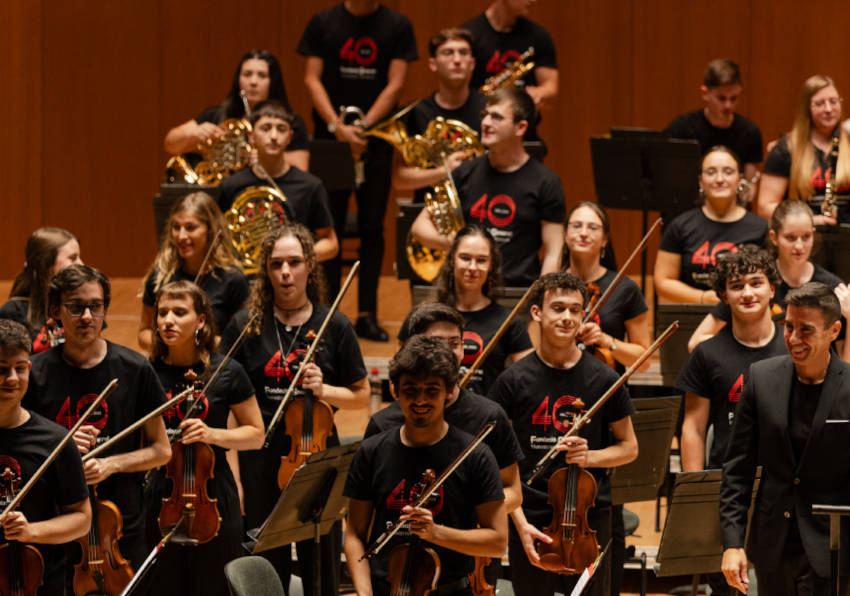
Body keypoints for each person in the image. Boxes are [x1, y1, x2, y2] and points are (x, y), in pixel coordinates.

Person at [219, 222, 369, 596]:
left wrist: (325, 389)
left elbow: (361, 395)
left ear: (309, 267)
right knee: (267, 566)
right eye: (276, 264)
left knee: (320, 563)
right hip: (261, 459)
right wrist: (235, 475)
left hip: (318, 458)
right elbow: (227, 404)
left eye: (295, 262)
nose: (285, 273)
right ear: (266, 271)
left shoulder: (333, 324)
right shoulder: (246, 326)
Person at [489, 272, 638, 596]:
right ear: (537, 313)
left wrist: (591, 456)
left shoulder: (604, 378)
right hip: (531, 514)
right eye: (558, 308)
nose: (567, 317)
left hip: (589, 517)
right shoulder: (512, 381)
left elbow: (629, 448)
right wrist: (520, 524)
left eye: (575, 309)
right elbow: (498, 464)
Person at [24, 264, 171, 569]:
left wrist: (110, 464)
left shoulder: (135, 369)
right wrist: (59, 447)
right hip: (56, 523)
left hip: (119, 523)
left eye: (95, 306)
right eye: (76, 307)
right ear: (55, 311)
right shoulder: (33, 374)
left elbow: (161, 450)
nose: (88, 317)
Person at [371, 301, 524, 591]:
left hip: (466, 555)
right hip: (399, 563)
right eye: (437, 342)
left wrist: (468, 509)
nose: (450, 351)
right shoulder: (384, 423)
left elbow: (514, 493)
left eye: (456, 343)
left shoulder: (489, 416)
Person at [345, 335, 508, 596]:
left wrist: (436, 533)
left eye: (432, 390)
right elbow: (354, 534)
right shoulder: (372, 451)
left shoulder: (475, 456)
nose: (420, 400)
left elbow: (497, 542)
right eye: (410, 390)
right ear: (394, 390)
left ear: (450, 391)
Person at [298, 0, 419, 341]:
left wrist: (363, 126)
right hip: (331, 140)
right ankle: (326, 313)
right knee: (327, 228)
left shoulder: (397, 25)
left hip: (375, 141)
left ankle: (367, 314)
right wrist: (339, 127)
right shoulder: (323, 21)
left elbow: (395, 85)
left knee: (372, 228)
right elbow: (311, 80)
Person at [720, 282, 850, 594]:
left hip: (832, 546)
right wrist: (733, 543)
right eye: (788, 327)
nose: (792, 339)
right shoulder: (761, 378)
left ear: (834, 330)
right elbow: (737, 470)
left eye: (805, 330)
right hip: (772, 542)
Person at [144, 281, 264, 596]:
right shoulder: (145, 372)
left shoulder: (227, 372)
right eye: (163, 312)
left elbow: (255, 435)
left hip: (213, 496)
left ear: (200, 321)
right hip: (161, 496)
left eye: (179, 312)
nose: (168, 320)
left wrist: (212, 434)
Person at [411, 86, 565, 287]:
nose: (485, 123)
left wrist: (541, 299)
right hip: (465, 291)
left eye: (496, 117)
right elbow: (419, 227)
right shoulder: (464, 172)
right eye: (484, 115)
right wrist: (460, 244)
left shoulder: (546, 182)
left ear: (520, 127)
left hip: (516, 291)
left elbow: (554, 250)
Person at [0, 319, 91, 595]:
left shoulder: (56, 441)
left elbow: (81, 519)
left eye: (19, 368)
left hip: (40, 585)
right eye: (2, 369)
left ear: (29, 369)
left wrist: (31, 532)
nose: (13, 379)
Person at [689, 200, 844, 352]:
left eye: (806, 237)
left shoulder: (832, 286)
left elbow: (844, 365)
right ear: (774, 237)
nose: (799, 246)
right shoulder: (754, 281)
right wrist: (742, 347)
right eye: (790, 237)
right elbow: (695, 342)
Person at [216, 100, 339, 261]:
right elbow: (216, 239)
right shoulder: (230, 185)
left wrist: (296, 259)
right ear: (251, 137)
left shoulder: (310, 186)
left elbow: (331, 243)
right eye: (266, 128)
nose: (274, 136)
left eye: (281, 129)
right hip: (243, 279)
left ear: (290, 137)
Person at [655, 146, 768, 304]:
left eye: (728, 172)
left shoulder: (761, 228)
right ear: (701, 181)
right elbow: (663, 281)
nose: (720, 179)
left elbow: (770, 282)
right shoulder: (680, 226)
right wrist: (702, 298)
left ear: (739, 179)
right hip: (693, 314)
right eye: (711, 172)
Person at [164, 49, 309, 171]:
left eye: (262, 75)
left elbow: (300, 168)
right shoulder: (216, 114)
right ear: (238, 79)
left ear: (273, 82)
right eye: (247, 74)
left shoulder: (290, 121)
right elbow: (170, 143)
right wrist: (195, 133)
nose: (253, 82)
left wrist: (266, 158)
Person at [138, 192, 249, 352]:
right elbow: (143, 334)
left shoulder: (233, 279)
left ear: (210, 229)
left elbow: (240, 342)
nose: (181, 236)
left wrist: (193, 341)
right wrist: (171, 342)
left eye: (190, 228)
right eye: (176, 227)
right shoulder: (160, 275)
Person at [432, 225, 532, 394]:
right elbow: (400, 378)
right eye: (465, 258)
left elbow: (530, 380)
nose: (472, 267)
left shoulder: (510, 322)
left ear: (491, 265)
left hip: (489, 417)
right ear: (452, 260)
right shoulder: (428, 317)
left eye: (481, 260)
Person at [392, 28, 488, 202]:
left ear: (472, 63)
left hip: (482, 207)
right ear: (433, 64)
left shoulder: (490, 109)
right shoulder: (416, 113)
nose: (457, 60)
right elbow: (399, 180)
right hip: (430, 213)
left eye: (463, 53)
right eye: (448, 53)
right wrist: (445, 171)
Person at [563, 202, 650, 373]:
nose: (583, 233)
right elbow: (535, 350)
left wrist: (605, 340)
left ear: (604, 239)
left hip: (608, 390)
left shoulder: (625, 288)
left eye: (593, 227)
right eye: (576, 226)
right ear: (565, 235)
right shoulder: (551, 286)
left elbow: (644, 362)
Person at [758, 75, 850, 225]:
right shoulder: (785, 149)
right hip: (802, 238)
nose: (828, 109)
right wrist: (810, 221)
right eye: (819, 104)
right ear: (806, 108)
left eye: (833, 102)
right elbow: (765, 207)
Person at [664, 59, 763, 199]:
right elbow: (670, 184)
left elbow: (749, 192)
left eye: (734, 98)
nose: (728, 105)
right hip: (689, 212)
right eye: (722, 98)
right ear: (705, 93)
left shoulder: (749, 132)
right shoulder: (680, 130)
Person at [461, 0, 558, 109]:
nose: (533, 1)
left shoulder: (538, 36)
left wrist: (536, 93)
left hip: (521, 120)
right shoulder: (469, 35)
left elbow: (551, 86)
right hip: (478, 116)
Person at [0, 227, 83, 353]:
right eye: (73, 258)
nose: (81, 264)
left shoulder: (81, 304)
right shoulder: (13, 312)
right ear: (47, 263)